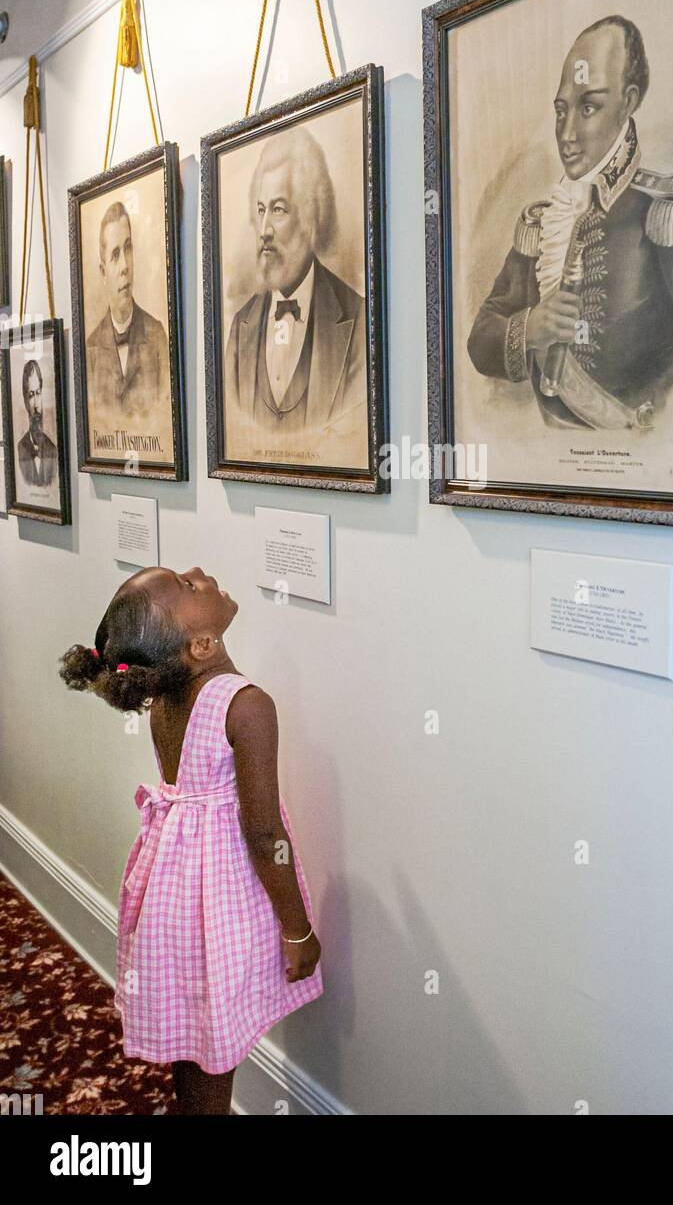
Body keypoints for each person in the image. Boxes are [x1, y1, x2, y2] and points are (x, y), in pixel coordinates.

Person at [58, 565, 323, 1115]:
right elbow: (263, 832)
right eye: (186, 586)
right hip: (219, 898)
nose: (200, 573)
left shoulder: (167, 697)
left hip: (172, 890)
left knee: (194, 1033)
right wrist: (296, 929)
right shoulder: (246, 704)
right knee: (215, 1052)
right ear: (202, 644)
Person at [467, 14, 673, 432]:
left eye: (589, 107)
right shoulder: (543, 218)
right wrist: (530, 327)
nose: (567, 133)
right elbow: (481, 340)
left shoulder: (669, 208)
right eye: (561, 110)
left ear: (628, 100)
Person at [224, 127, 367, 438]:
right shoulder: (240, 327)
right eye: (260, 210)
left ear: (310, 216)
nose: (264, 229)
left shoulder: (357, 321)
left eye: (278, 209)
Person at [86, 201, 170, 420]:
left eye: (128, 248)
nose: (125, 265)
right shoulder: (90, 350)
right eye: (115, 254)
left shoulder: (157, 335)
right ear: (103, 271)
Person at [17, 359, 57, 487]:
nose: (36, 405)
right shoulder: (20, 448)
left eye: (38, 393)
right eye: (30, 395)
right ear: (25, 401)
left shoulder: (52, 450)